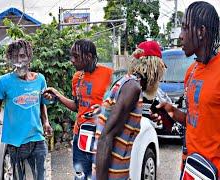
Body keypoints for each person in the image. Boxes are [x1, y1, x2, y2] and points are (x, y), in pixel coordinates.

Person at [152, 1, 220, 176]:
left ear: (201, 31)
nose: (180, 36)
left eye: (185, 28)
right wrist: (171, 112)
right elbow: (194, 121)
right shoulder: (191, 71)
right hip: (190, 167)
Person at [93, 40, 165, 179]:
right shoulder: (133, 87)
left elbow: (120, 121)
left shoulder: (130, 84)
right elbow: (106, 136)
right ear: (154, 67)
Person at [43, 39, 113, 179]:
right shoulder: (77, 77)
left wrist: (103, 110)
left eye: (76, 56)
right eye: (71, 56)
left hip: (101, 134)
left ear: (88, 56)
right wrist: (57, 95)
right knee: (80, 175)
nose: (72, 60)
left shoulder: (109, 74)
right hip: (80, 135)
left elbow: (119, 105)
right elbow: (77, 106)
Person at [0, 39, 53, 180]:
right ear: (10, 59)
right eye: (15, 56)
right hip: (15, 142)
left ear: (29, 57)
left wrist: (46, 123)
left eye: (22, 56)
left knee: (40, 177)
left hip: (37, 138)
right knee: (19, 177)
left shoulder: (40, 79)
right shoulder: (3, 81)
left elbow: (42, 103)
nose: (19, 60)